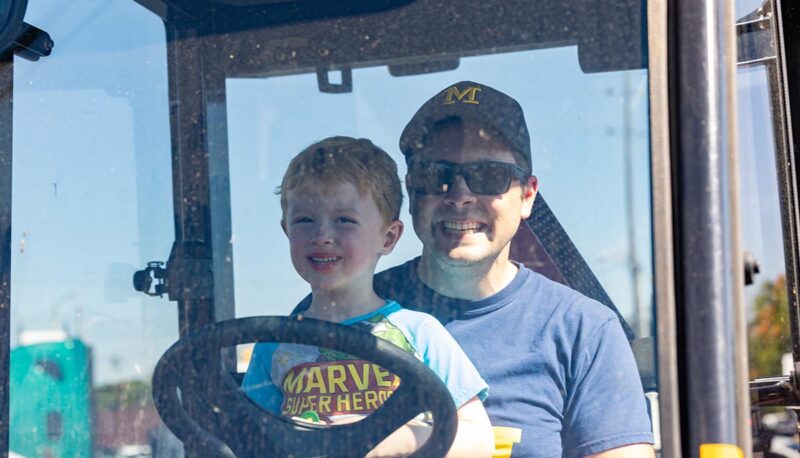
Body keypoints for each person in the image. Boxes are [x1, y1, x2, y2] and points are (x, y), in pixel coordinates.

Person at [295, 82, 655, 457]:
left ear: (527, 194)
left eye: (488, 175)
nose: (460, 195)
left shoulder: (584, 332)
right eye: (437, 176)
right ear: (412, 192)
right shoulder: (336, 309)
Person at [242, 136, 495, 457]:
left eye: (344, 220)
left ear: (388, 238)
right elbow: (249, 440)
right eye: (304, 220)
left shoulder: (419, 333)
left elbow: (478, 438)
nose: (322, 236)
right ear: (286, 230)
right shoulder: (273, 346)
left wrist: (402, 441)